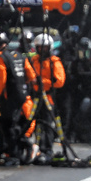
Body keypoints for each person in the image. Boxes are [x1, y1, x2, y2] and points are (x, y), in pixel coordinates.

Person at [0, 27, 30, 164]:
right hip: (23, 94)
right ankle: (7, 150)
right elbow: (30, 76)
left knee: (8, 125)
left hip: (9, 96)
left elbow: (0, 82)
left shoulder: (0, 58)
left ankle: (13, 155)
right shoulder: (19, 55)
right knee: (15, 124)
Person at [25, 32, 65, 161]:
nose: (42, 50)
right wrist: (32, 79)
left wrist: (42, 82)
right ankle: (28, 146)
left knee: (47, 123)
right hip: (34, 96)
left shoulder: (54, 62)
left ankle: (47, 150)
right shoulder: (33, 60)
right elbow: (28, 73)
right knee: (30, 121)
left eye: (45, 48)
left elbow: (59, 81)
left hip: (47, 97)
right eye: (40, 48)